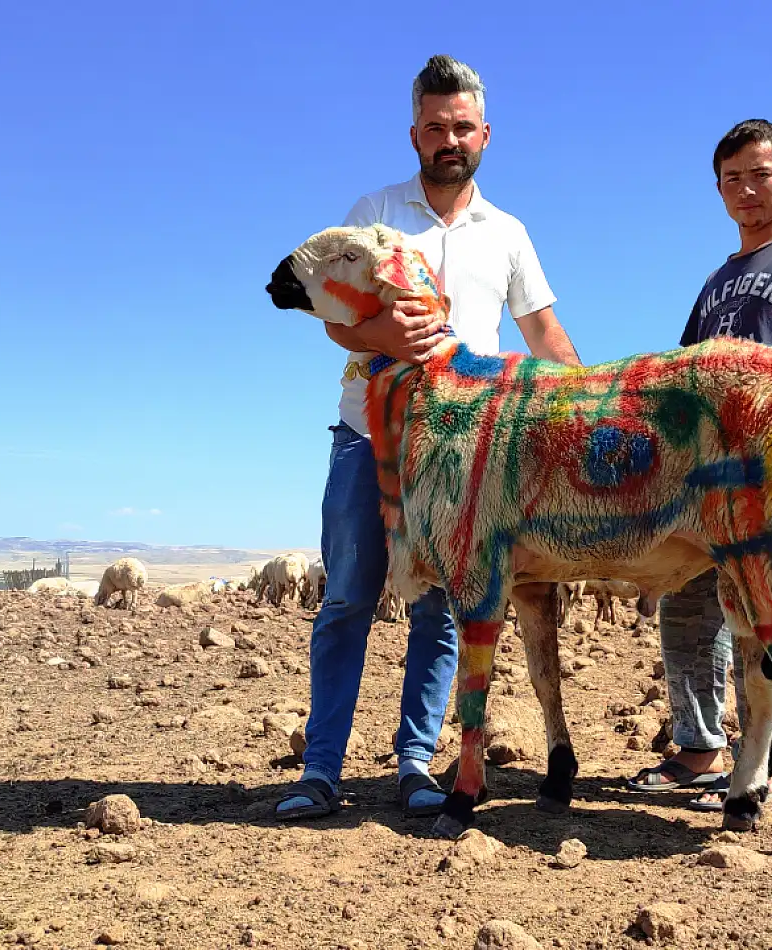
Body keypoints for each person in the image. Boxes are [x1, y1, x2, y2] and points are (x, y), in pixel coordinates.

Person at [277, 54, 582, 821]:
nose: (451, 139)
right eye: (436, 127)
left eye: (464, 127)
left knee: (441, 606)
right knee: (347, 597)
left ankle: (415, 763)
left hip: (462, 452)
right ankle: (321, 770)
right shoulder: (374, 211)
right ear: (415, 133)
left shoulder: (507, 233)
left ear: (486, 134)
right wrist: (393, 333)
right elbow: (333, 317)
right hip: (368, 432)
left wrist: (586, 401)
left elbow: (541, 327)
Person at [625, 118, 772, 810]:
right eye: (732, 179)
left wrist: (759, 379)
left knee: (764, 611)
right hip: (707, 478)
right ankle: (700, 749)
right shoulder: (717, 282)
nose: (746, 190)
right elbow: (687, 375)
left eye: (760, 175)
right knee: (688, 606)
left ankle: (765, 758)